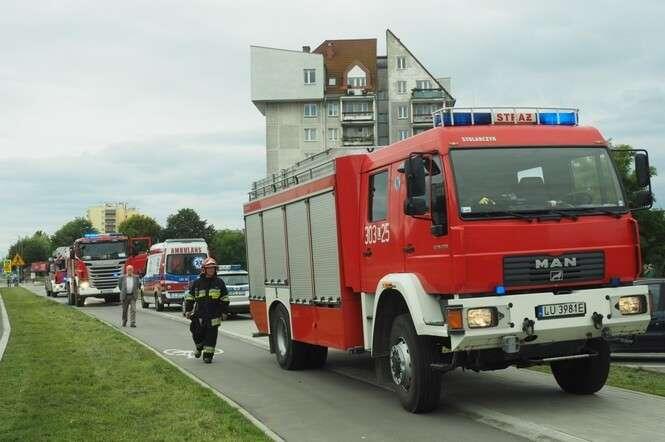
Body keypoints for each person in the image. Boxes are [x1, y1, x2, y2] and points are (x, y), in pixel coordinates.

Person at [184, 257, 229, 363]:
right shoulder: (197, 283)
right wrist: (188, 310)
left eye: (213, 268)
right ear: (204, 269)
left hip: (214, 315)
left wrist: (224, 312)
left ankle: (208, 356)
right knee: (196, 332)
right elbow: (190, 297)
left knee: (211, 336)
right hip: (200, 314)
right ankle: (199, 347)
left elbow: (225, 298)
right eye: (209, 268)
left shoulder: (219, 283)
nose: (211, 270)